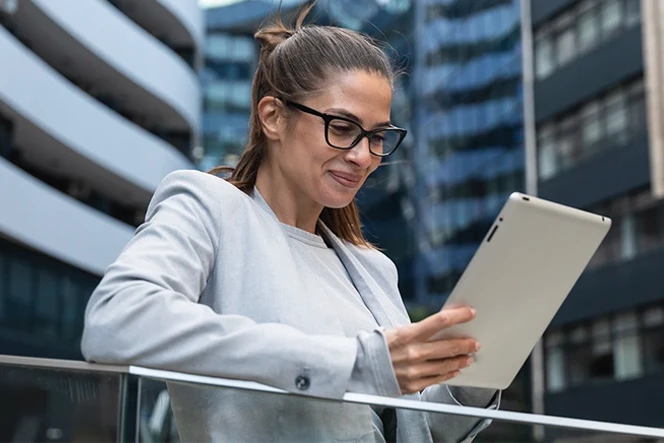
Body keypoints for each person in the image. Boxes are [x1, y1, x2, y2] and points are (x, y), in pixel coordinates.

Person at [81, 3, 500, 442]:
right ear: (273, 117)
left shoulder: (373, 268)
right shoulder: (210, 207)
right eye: (342, 127)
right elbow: (115, 321)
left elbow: (414, 430)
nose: (363, 156)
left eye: (377, 136)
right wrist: (351, 364)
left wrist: (474, 376)